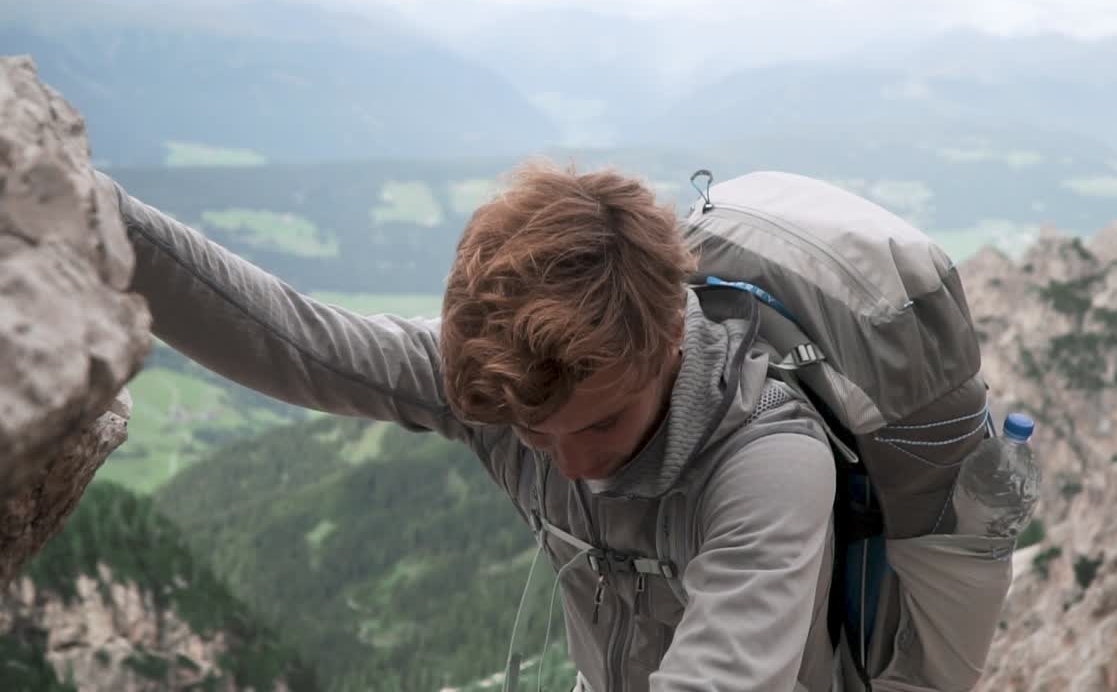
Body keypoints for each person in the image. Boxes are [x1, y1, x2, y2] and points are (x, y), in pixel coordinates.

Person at [100, 158, 1000, 692]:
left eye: (601, 424)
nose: (571, 465)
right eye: (538, 437)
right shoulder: (505, 391)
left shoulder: (768, 464)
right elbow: (292, 342)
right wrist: (89, 211)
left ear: (666, 350)